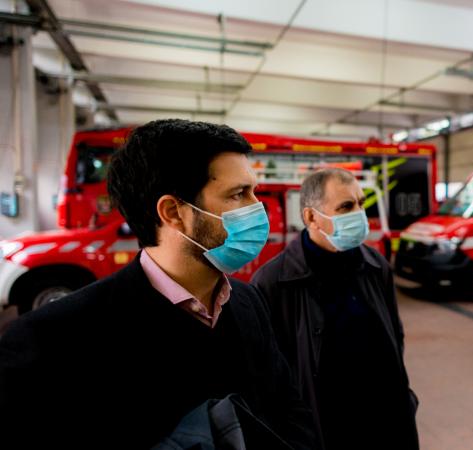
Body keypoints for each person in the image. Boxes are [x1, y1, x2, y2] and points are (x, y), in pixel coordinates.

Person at [0, 119, 318, 449]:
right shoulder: (55, 340)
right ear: (173, 212)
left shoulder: (248, 300)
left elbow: (289, 412)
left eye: (254, 191)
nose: (260, 208)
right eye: (239, 194)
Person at [251, 168, 419, 450]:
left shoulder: (376, 266)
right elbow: (270, 377)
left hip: (386, 423)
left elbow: (395, 336)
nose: (359, 214)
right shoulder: (273, 283)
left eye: (361, 204)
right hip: (325, 430)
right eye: (346, 206)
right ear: (311, 217)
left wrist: (405, 398)